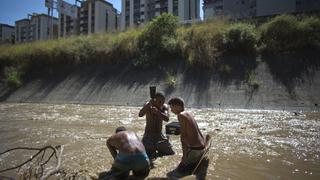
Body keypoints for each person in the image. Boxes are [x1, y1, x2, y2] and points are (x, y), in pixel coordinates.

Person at [167, 97, 206, 178]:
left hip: (195, 150)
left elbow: (183, 137)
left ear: (178, 106)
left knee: (171, 175)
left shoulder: (180, 115)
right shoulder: (188, 113)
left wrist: (184, 156)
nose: (171, 110)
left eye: (171, 107)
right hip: (202, 147)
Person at [139, 92, 175, 160]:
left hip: (159, 135)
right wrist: (148, 105)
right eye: (159, 101)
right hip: (148, 135)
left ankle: (157, 149)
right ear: (154, 100)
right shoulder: (148, 105)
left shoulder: (165, 107)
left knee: (170, 153)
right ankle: (153, 150)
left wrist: (157, 112)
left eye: (163, 101)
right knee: (145, 155)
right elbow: (140, 114)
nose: (161, 103)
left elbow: (167, 119)